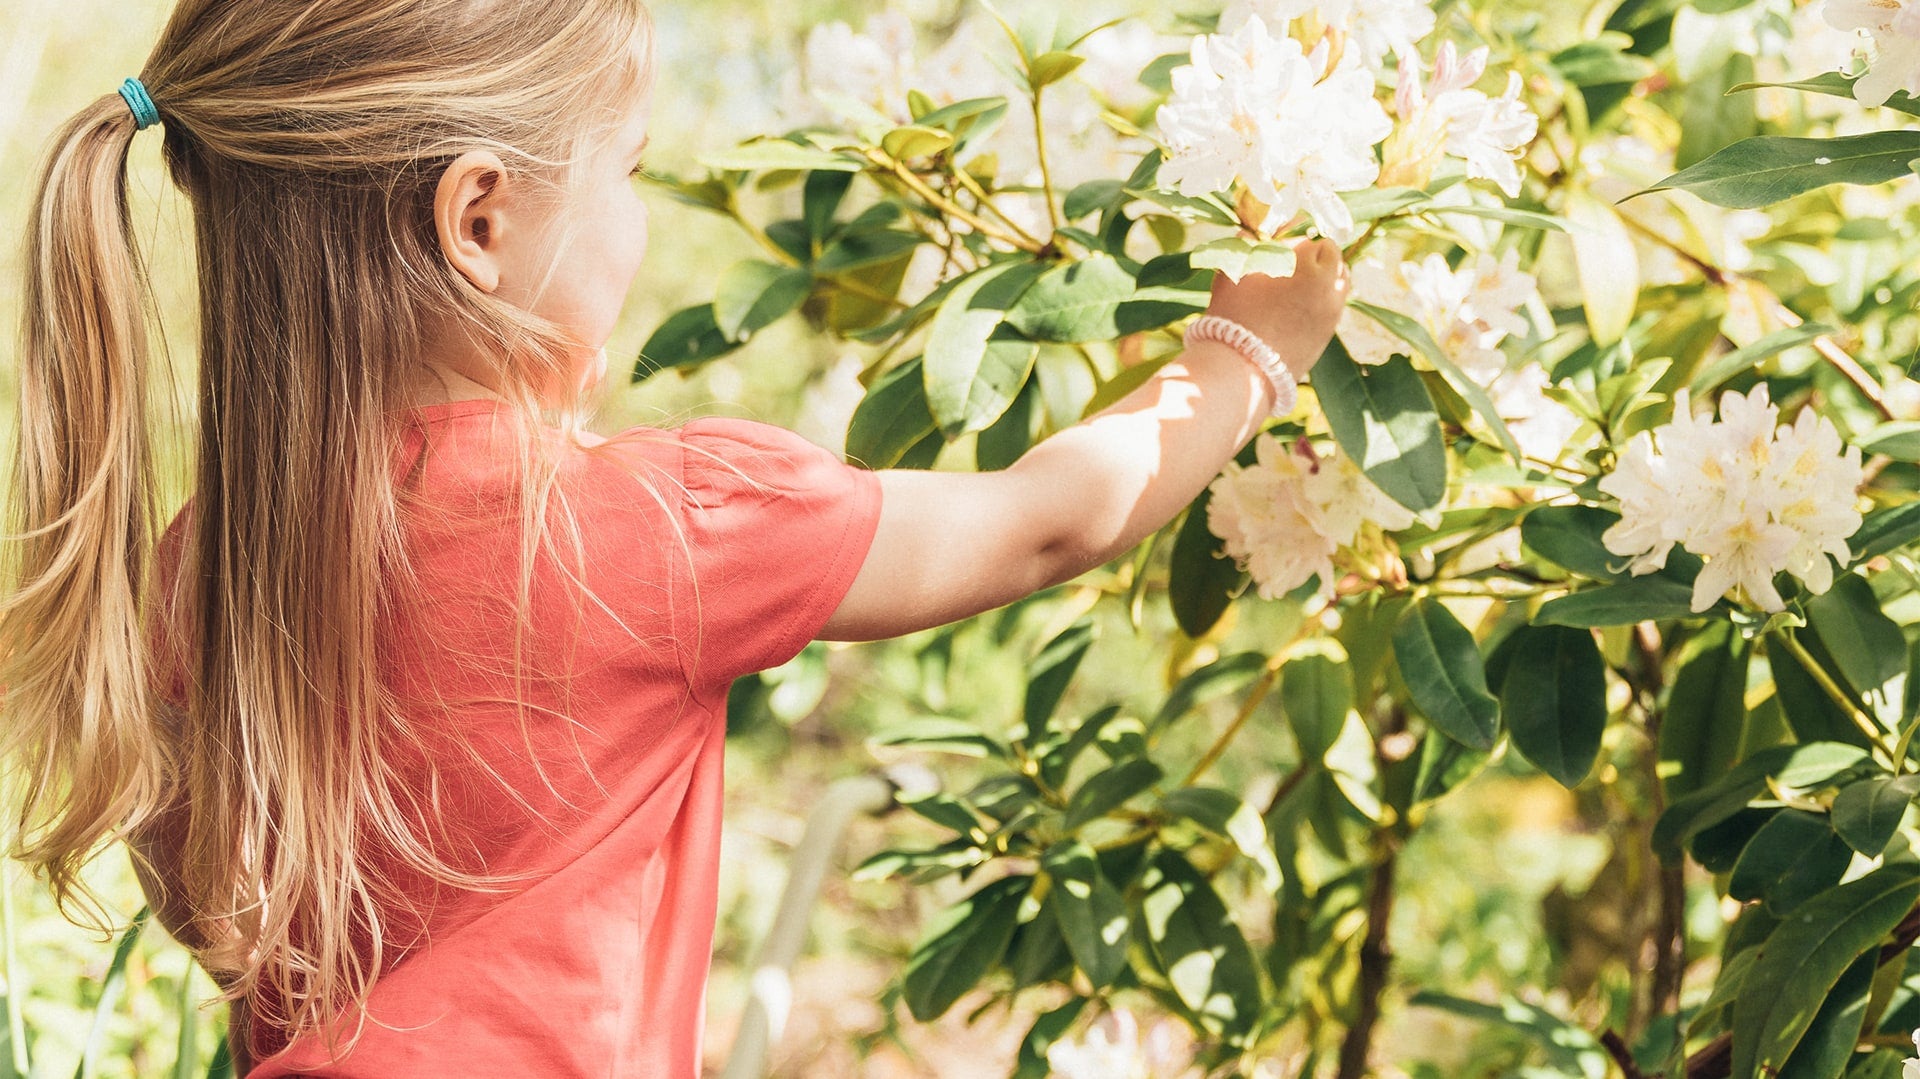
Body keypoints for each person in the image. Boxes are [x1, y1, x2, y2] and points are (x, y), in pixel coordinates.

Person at [1, 0, 1349, 1074]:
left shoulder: (200, 572)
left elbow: (210, 908)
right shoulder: (661, 526)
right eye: (630, 171)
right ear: (480, 221)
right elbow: (1045, 526)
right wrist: (1243, 354)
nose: (642, 212)